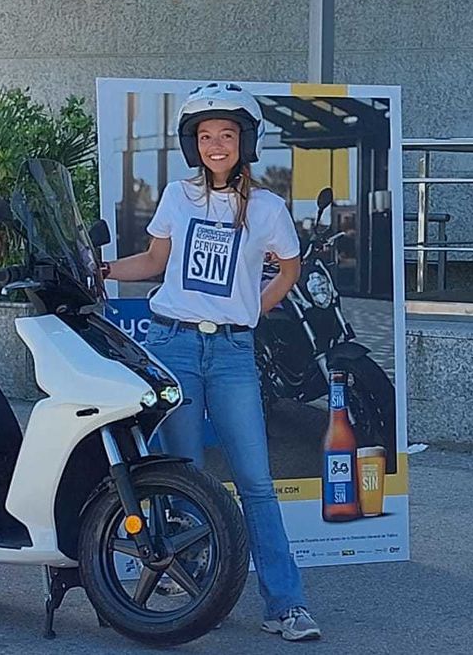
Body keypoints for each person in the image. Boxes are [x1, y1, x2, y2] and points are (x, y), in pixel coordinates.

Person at [103, 82, 321, 641]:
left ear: (245, 141)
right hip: (172, 344)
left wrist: (250, 310)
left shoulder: (268, 208)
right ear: (192, 144)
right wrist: (100, 270)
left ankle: (286, 603)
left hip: (231, 353)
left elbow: (289, 269)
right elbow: (153, 261)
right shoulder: (178, 197)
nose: (215, 145)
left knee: (255, 481)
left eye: (226, 134)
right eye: (205, 136)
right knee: (185, 473)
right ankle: (198, 590)